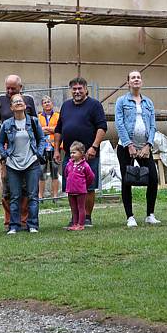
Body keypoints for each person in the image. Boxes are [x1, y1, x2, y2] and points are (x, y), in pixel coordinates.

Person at [53, 77, 108, 227]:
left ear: (86, 89)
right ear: (71, 90)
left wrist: (94, 147)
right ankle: (75, 217)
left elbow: (102, 127)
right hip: (70, 155)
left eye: (80, 88)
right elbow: (58, 129)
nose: (77, 91)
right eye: (74, 89)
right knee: (71, 187)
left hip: (88, 154)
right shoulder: (65, 106)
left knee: (88, 187)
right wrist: (57, 149)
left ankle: (87, 217)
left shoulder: (94, 105)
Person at [114, 70, 161, 228]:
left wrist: (148, 145)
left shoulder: (148, 102)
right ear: (128, 82)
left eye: (138, 77)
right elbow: (119, 124)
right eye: (133, 77)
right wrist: (129, 145)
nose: (136, 80)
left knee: (153, 179)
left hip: (144, 148)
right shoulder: (122, 101)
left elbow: (153, 125)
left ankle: (150, 214)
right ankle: (130, 216)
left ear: (142, 81)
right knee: (127, 181)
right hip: (125, 147)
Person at [0, 74, 36, 230]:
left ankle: (24, 220)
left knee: (26, 187)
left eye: (13, 88)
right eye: (7, 88)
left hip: (27, 153)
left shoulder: (29, 100)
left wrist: (36, 150)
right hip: (8, 152)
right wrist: (2, 151)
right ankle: (9, 220)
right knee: (8, 186)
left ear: (20, 88)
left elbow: (35, 124)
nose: (10, 91)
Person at [0, 93, 44, 234]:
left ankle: (33, 225)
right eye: (15, 102)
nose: (18, 103)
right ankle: (14, 226)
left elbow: (41, 139)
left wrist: (38, 154)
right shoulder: (6, 124)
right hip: (13, 164)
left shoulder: (34, 121)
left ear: (25, 105)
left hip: (31, 163)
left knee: (32, 195)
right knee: (15, 196)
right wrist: (4, 155)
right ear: (11, 107)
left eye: (20, 101)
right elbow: (0, 142)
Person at [63, 141, 94, 231]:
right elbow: (66, 174)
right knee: (73, 208)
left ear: (81, 153)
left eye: (74, 152)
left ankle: (81, 224)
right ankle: (75, 223)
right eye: (71, 153)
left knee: (81, 207)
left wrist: (84, 184)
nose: (72, 155)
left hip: (81, 191)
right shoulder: (69, 164)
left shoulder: (85, 166)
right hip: (70, 190)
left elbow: (91, 177)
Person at [38, 95, 60, 202]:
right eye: (45, 102)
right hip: (42, 148)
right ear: (42, 105)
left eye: (49, 101)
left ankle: (55, 196)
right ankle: (40, 197)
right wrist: (51, 129)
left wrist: (46, 129)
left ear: (52, 104)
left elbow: (59, 129)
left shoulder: (57, 116)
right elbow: (38, 130)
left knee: (54, 172)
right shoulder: (38, 117)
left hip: (54, 147)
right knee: (41, 172)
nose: (47, 103)